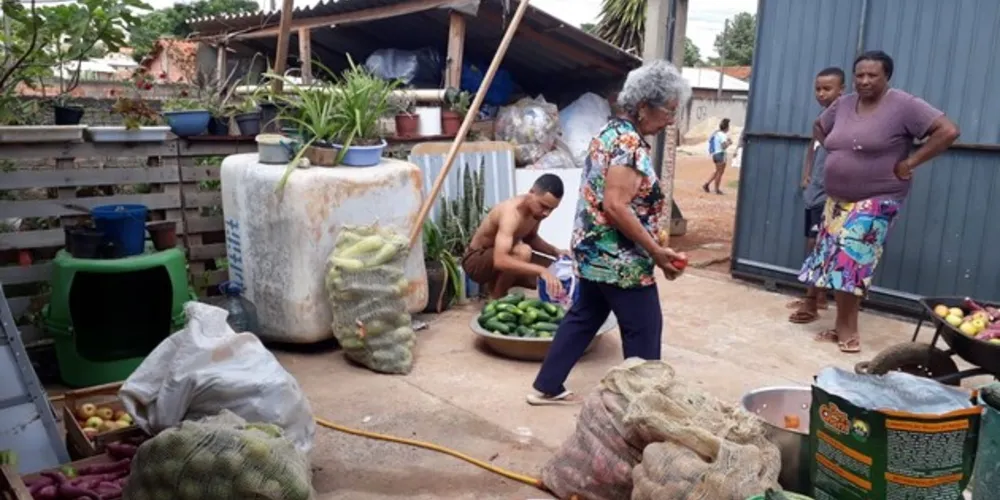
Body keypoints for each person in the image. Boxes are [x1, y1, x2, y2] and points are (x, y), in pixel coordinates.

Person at [527, 60, 691, 405]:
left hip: (593, 250)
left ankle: (547, 386)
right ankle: (645, 409)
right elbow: (616, 206)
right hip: (619, 259)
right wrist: (656, 252)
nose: (671, 120)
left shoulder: (609, 132)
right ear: (644, 106)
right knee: (645, 330)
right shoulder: (629, 145)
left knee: (584, 316)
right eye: (669, 110)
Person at [801, 50, 959, 353]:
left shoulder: (904, 105)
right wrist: (835, 153)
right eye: (859, 75)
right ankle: (838, 325)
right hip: (838, 198)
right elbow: (820, 126)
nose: (864, 81)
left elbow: (948, 131)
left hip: (877, 197)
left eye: (872, 75)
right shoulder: (844, 104)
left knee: (852, 259)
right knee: (834, 259)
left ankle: (848, 328)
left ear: (887, 77)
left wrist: (909, 163)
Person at [788, 67, 845, 324]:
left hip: (829, 195)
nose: (821, 93)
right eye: (818, 89)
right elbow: (814, 148)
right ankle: (816, 296)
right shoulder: (823, 119)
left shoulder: (845, 120)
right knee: (811, 243)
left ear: (841, 91)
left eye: (827, 89)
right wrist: (807, 173)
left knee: (818, 244)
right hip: (815, 191)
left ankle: (813, 299)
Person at [461, 174, 568, 300]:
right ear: (531, 192)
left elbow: (531, 238)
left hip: (500, 255)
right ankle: (497, 299)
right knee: (523, 252)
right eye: (543, 206)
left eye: (551, 209)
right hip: (476, 261)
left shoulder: (536, 213)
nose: (546, 213)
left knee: (554, 268)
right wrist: (540, 271)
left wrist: (557, 252)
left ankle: (498, 291)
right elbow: (500, 260)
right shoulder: (511, 213)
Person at [703, 118, 732, 195]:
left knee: (717, 171)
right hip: (720, 154)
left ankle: (707, 184)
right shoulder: (723, 135)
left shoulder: (717, 133)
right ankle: (716, 189)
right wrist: (729, 142)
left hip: (715, 154)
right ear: (726, 127)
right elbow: (723, 146)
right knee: (720, 173)